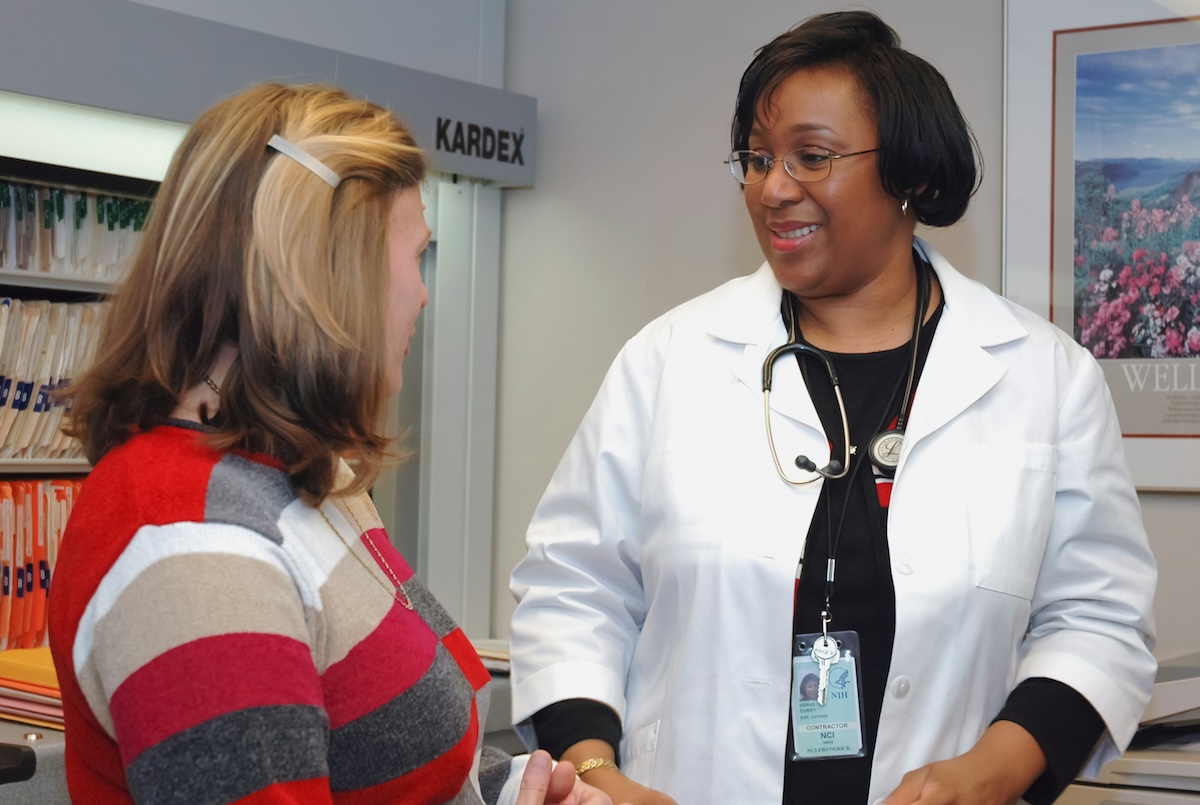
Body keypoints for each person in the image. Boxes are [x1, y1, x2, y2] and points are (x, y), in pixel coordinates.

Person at [508, 11, 1157, 805]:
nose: (774, 188)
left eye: (811, 156)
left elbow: (1098, 622)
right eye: (755, 158)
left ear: (911, 173)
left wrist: (986, 776)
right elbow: (572, 590)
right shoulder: (670, 360)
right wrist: (601, 778)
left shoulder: (1044, 377)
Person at [46, 82, 619, 805]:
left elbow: (392, 768)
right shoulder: (192, 547)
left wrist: (516, 792)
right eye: (415, 256)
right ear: (330, 277)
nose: (422, 293)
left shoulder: (307, 480)